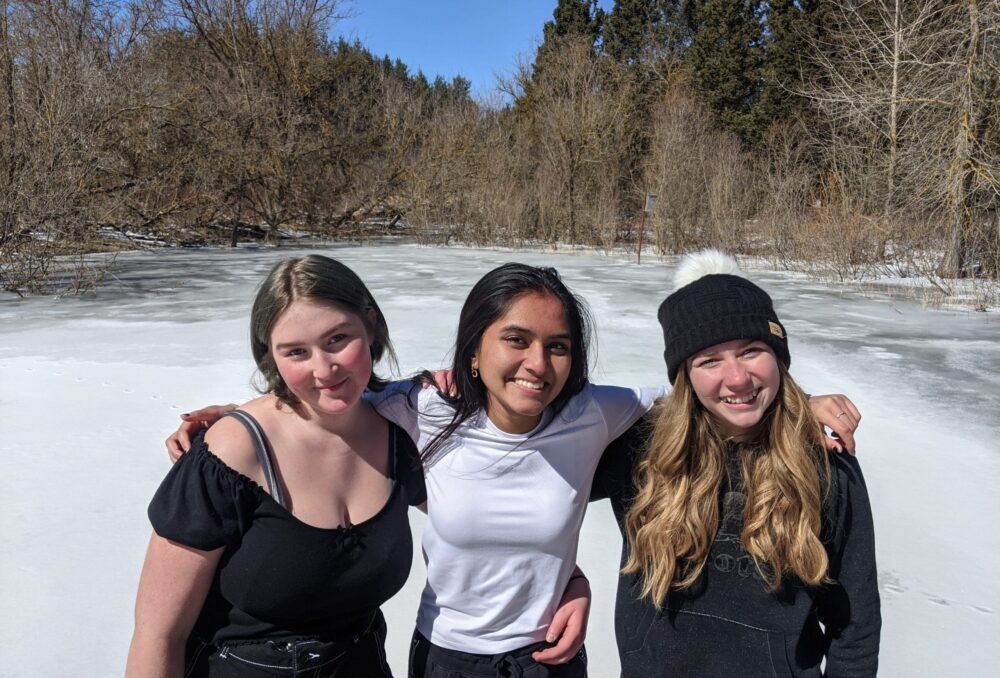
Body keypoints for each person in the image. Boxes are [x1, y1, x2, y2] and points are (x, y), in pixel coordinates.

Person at [169, 261, 860, 678]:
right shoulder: (423, 410)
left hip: (550, 660)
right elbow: (327, 396)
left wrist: (799, 401)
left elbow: (710, 387)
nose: (538, 363)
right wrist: (234, 414)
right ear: (475, 349)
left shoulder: (595, 413)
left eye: (557, 346)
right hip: (445, 659)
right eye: (516, 340)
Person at [126, 255, 427, 677]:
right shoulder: (233, 454)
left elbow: (497, 522)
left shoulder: (406, 434)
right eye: (296, 352)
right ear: (271, 355)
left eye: (338, 339)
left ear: (371, 324)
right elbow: (159, 633)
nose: (324, 369)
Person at [591, 249, 879, 677]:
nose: (738, 378)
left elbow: (854, 631)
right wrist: (466, 388)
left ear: (779, 357)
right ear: (684, 375)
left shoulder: (825, 466)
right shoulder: (641, 449)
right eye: (709, 360)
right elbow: (536, 446)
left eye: (751, 351)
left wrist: (796, 413)